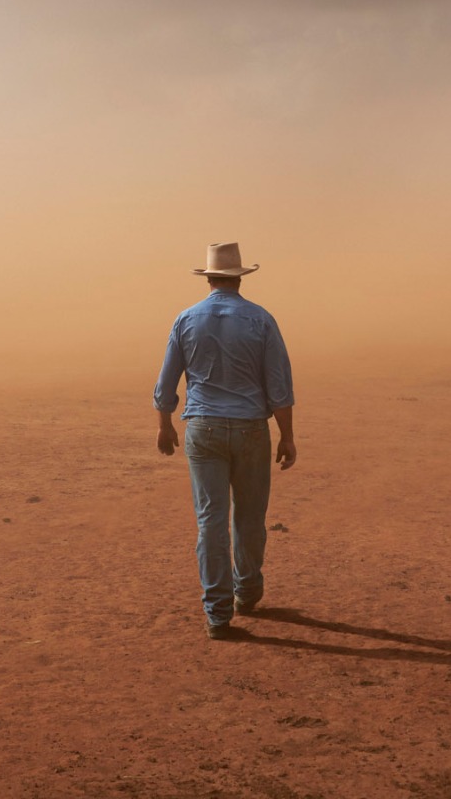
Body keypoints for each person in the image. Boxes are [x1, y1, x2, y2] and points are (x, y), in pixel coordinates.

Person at [153, 242, 297, 639]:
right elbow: (279, 386)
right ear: (238, 278)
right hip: (251, 428)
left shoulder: (185, 319)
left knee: (210, 522)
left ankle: (217, 614)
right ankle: (246, 591)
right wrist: (286, 436)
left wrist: (165, 424)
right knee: (249, 517)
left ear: (210, 277)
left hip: (203, 428)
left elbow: (166, 383)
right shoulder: (261, 320)